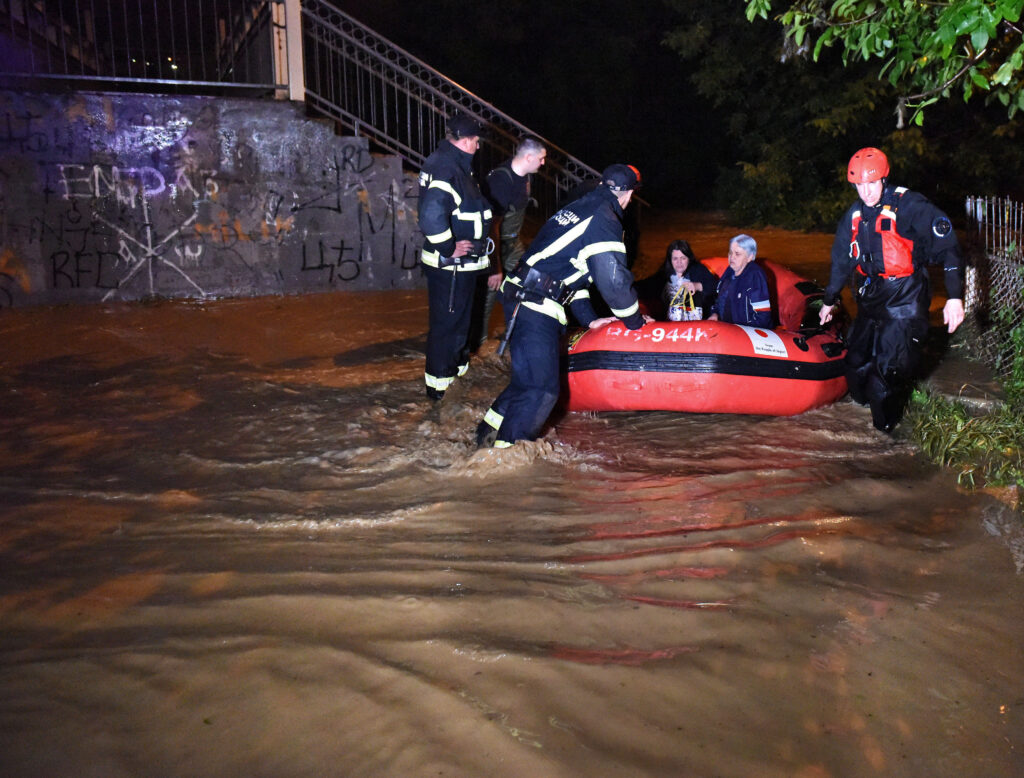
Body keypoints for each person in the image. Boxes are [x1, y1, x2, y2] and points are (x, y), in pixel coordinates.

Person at [476, 164, 652, 448]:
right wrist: (635, 320)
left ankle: (484, 437)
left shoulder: (581, 207)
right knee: (541, 390)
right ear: (629, 195)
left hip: (523, 294)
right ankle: (504, 459)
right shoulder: (604, 216)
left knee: (525, 382)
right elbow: (613, 280)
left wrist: (589, 319)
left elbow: (571, 275)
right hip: (535, 302)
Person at [819, 146, 965, 433]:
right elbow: (842, 261)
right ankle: (862, 422)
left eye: (872, 183)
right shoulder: (854, 215)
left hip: (905, 298)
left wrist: (954, 297)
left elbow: (949, 247)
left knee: (883, 379)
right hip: (873, 297)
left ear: (884, 179)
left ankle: (884, 438)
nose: (866, 192)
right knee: (855, 366)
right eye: (859, 185)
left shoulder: (909, 205)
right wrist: (829, 299)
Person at [417, 111, 493, 401]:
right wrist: (449, 248)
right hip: (451, 266)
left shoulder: (452, 163)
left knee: (459, 324)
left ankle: (457, 377)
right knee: (447, 327)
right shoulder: (448, 168)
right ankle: (439, 392)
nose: (478, 146)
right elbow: (431, 216)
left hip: (462, 266)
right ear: (465, 141)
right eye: (476, 141)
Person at [474, 137, 548, 347]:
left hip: (512, 243)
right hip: (494, 245)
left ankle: (518, 333)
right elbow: (491, 228)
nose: (544, 163)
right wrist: (495, 268)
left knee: (531, 282)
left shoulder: (525, 177)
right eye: (541, 159)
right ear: (529, 157)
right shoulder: (501, 181)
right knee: (489, 292)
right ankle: (477, 344)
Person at [709, 234, 772, 328]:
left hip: (749, 333)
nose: (732, 257)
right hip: (726, 329)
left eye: (737, 254)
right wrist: (715, 314)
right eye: (730, 252)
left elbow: (763, 316)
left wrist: (742, 332)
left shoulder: (755, 276)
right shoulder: (730, 271)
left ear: (750, 257)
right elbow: (720, 301)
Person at [658, 239, 718, 319]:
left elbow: (716, 287)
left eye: (683, 258)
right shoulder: (663, 274)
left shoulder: (699, 270)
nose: (679, 262)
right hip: (670, 323)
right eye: (675, 259)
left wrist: (698, 286)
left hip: (697, 321)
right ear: (670, 260)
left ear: (689, 259)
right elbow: (646, 289)